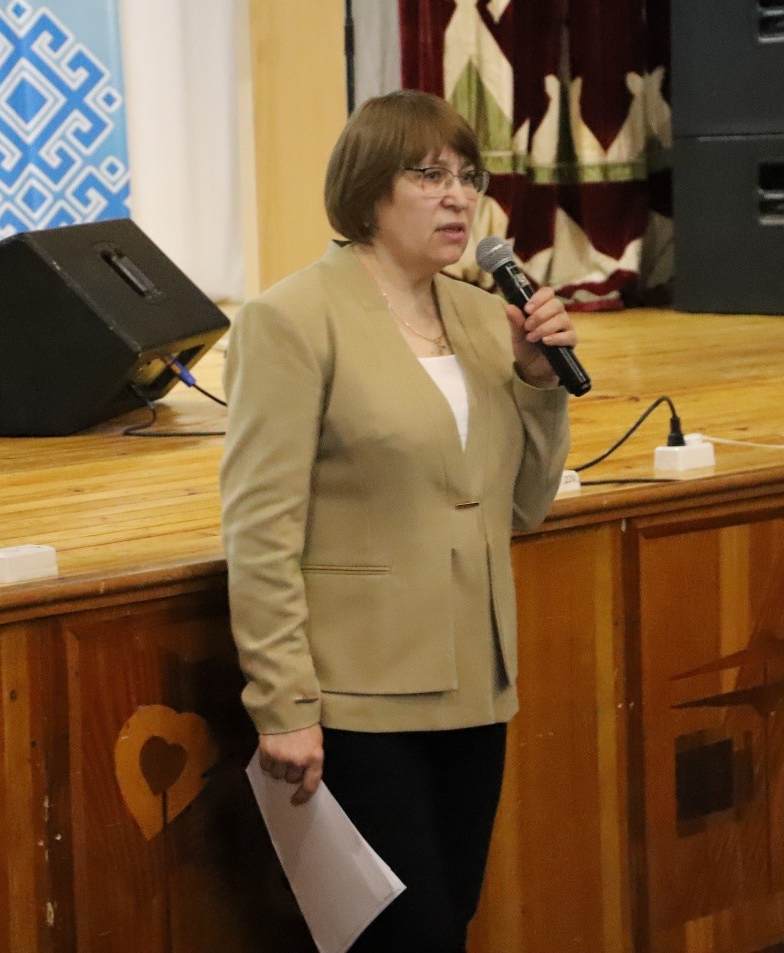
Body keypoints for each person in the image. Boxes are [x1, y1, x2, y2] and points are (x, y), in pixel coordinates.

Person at [220, 89, 575, 953]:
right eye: (427, 176)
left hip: (475, 683)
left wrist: (538, 383)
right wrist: (281, 702)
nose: (457, 197)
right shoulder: (291, 319)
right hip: (356, 696)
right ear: (368, 190)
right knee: (400, 941)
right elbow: (260, 528)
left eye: (467, 177)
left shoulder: (484, 316)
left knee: (448, 923)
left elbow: (523, 506)